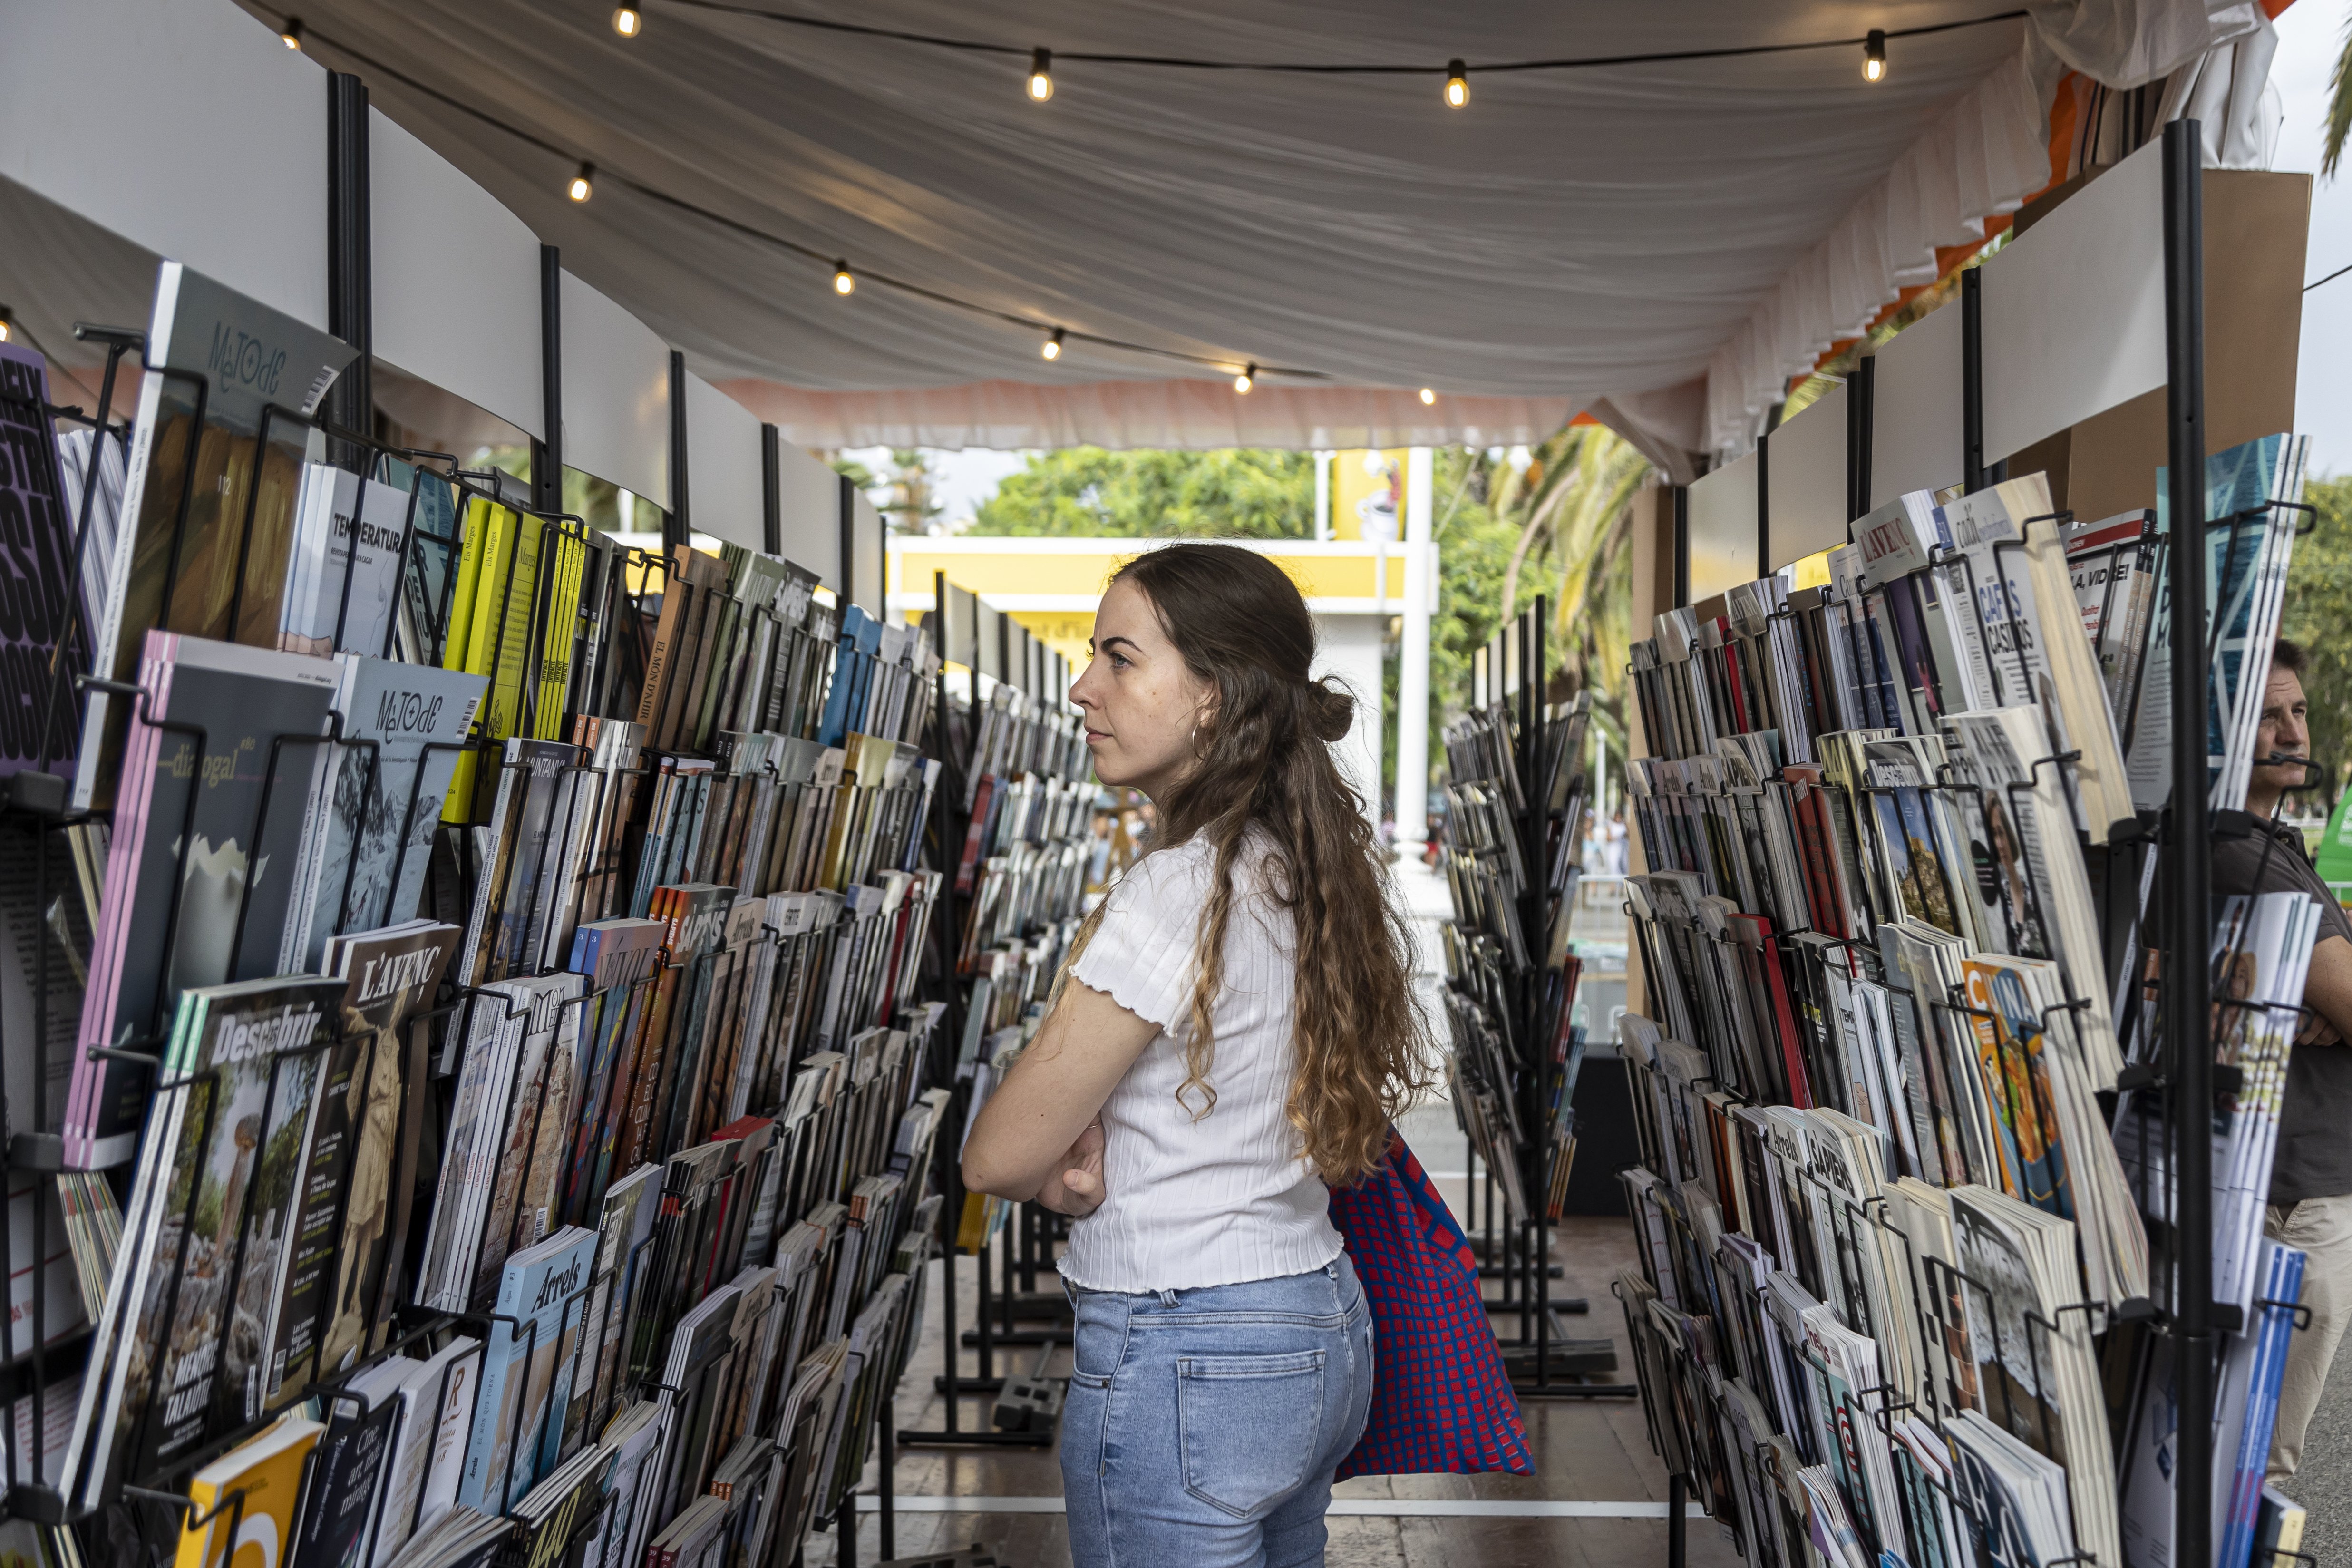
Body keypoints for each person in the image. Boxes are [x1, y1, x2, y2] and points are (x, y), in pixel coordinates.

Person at [962, 543, 1430, 1568]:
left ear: (1213, 696)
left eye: (1119, 658)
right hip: (1311, 1320)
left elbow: (996, 1155)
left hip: (1188, 1344)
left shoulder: (1178, 889)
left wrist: (1067, 1156)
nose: (1084, 686)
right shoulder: (1289, 862)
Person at [2213, 637, 2352, 1483]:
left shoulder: (2276, 843)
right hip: (2294, 1196)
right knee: (2257, 1462)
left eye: (2297, 710)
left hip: (2287, 1179)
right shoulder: (2244, 855)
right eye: (2268, 714)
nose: (2292, 730)